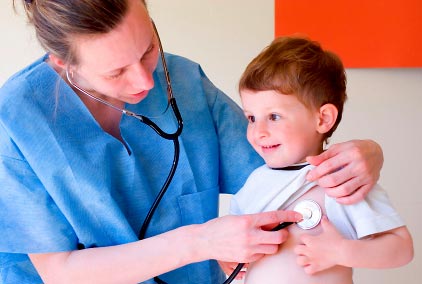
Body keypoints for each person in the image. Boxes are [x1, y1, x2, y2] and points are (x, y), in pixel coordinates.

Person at [0, 1, 384, 283]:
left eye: (149, 47)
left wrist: (366, 153)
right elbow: (60, 271)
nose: (144, 82)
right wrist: (200, 242)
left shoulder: (185, 82)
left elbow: (286, 166)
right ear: (61, 63)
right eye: (117, 71)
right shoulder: (18, 118)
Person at [220, 36, 413, 283]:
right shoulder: (254, 183)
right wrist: (226, 256)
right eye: (251, 118)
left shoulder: (342, 180)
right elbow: (232, 237)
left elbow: (402, 248)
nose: (259, 132)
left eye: (274, 116)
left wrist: (341, 251)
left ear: (322, 119)